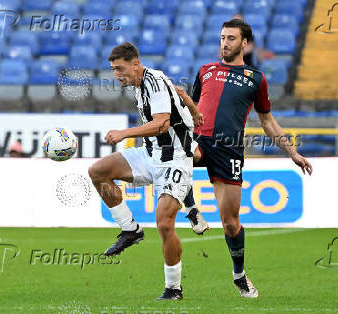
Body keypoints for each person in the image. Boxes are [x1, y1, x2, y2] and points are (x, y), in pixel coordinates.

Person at [178, 19, 313, 298]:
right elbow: (190, 109)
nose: (224, 43)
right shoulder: (206, 70)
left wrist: (293, 153)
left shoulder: (256, 78)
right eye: (222, 38)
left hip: (229, 150)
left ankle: (239, 275)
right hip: (200, 140)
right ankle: (191, 209)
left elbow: (268, 122)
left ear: (245, 43)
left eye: (230, 39)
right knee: (174, 153)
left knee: (230, 222)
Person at [88, 42, 203, 300]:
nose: (116, 75)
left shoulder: (153, 80)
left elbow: (162, 124)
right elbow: (179, 91)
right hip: (150, 154)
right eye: (113, 70)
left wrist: (123, 133)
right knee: (98, 171)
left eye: (120, 69)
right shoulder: (143, 84)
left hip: (175, 159)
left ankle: (173, 288)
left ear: (136, 64)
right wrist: (194, 111)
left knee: (163, 223)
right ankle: (130, 230)